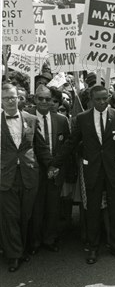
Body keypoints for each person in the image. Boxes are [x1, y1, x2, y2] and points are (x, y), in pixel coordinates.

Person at [51, 85, 115, 264]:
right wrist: (55, 164)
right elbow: (70, 144)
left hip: (114, 171)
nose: (102, 102)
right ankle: (93, 248)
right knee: (92, 210)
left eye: (104, 98)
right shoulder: (82, 119)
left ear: (108, 97)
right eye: (97, 99)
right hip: (92, 171)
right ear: (91, 100)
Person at [1, 83, 53, 272]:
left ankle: (22, 249)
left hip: (29, 174)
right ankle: (14, 255)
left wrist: (52, 165)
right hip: (5, 177)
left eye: (13, 97)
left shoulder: (31, 119)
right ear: (1, 100)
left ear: (19, 98)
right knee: (10, 217)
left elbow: (41, 147)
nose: (10, 101)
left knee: (25, 215)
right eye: (6, 98)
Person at [28, 85, 72, 254]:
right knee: (36, 208)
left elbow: (67, 146)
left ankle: (49, 238)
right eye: (41, 99)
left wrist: (57, 167)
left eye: (48, 99)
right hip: (34, 171)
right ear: (35, 99)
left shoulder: (61, 119)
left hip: (56, 171)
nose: (45, 102)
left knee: (53, 208)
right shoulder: (26, 117)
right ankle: (35, 241)